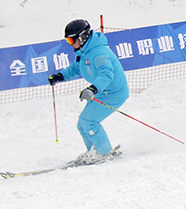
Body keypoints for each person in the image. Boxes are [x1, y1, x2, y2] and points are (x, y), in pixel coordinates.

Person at [48, 19, 129, 163]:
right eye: (68, 41)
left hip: (114, 93)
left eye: (71, 40)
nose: (70, 44)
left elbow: (107, 74)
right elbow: (76, 67)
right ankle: (94, 152)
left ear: (83, 36)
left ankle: (104, 153)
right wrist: (60, 76)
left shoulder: (99, 53)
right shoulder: (84, 51)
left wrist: (93, 89)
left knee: (88, 121)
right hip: (103, 92)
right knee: (82, 124)